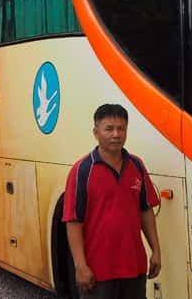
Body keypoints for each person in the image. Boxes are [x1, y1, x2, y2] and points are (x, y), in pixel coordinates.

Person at [63, 104, 161, 298]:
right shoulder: (82, 170)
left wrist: (156, 251)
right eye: (109, 129)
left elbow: (145, 210)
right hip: (98, 273)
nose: (116, 134)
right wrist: (80, 265)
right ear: (96, 132)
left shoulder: (136, 165)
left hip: (134, 268)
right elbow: (73, 221)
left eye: (121, 128)